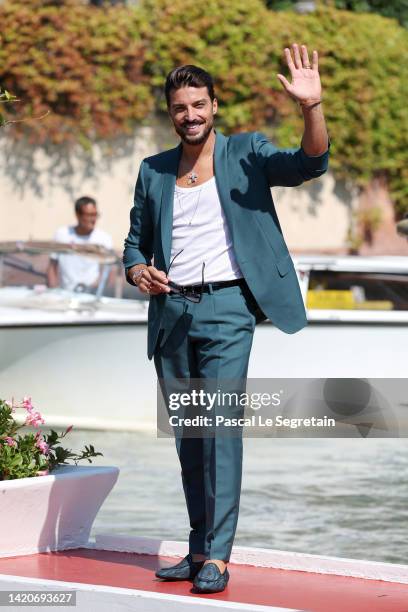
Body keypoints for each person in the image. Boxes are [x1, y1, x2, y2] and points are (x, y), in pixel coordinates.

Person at [123, 43, 330, 594]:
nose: (189, 115)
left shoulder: (247, 153)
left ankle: (218, 555)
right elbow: (133, 246)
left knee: (219, 431)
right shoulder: (153, 171)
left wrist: (312, 108)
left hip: (227, 308)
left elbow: (311, 163)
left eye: (199, 105)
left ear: (215, 105)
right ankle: (196, 550)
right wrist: (138, 270)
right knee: (190, 436)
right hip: (171, 314)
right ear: (170, 114)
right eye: (179, 108)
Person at [47, 196, 113, 291]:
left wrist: (91, 290)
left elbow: (106, 273)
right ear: (78, 215)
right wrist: (53, 291)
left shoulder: (104, 238)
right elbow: (52, 267)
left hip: (91, 297)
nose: (93, 219)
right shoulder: (62, 234)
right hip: (64, 296)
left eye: (95, 215)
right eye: (89, 215)